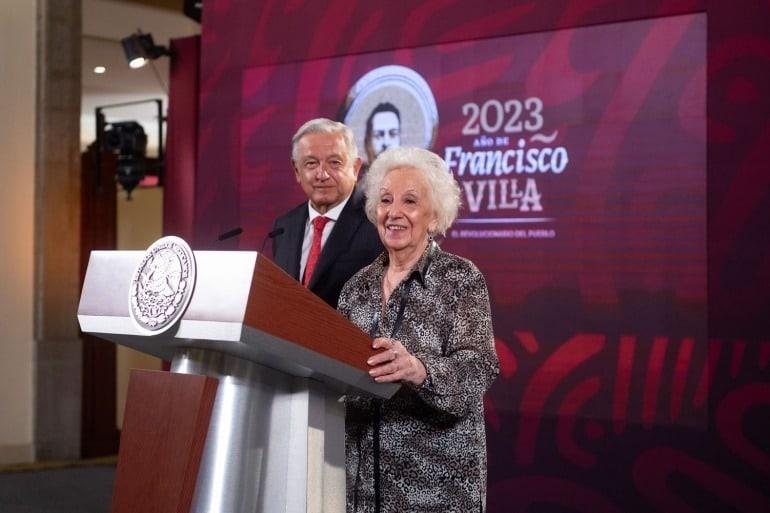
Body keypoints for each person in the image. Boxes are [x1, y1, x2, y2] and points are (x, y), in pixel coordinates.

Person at [338, 146, 499, 512]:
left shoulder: (460, 279)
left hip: (435, 491)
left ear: (435, 214)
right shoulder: (355, 288)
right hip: (361, 491)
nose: (393, 213)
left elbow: (479, 368)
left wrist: (419, 369)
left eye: (409, 201)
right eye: (385, 200)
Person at [271, 118, 383, 308]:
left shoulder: (377, 221)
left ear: (355, 168)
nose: (322, 174)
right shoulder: (284, 227)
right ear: (297, 170)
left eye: (334, 163)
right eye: (311, 164)